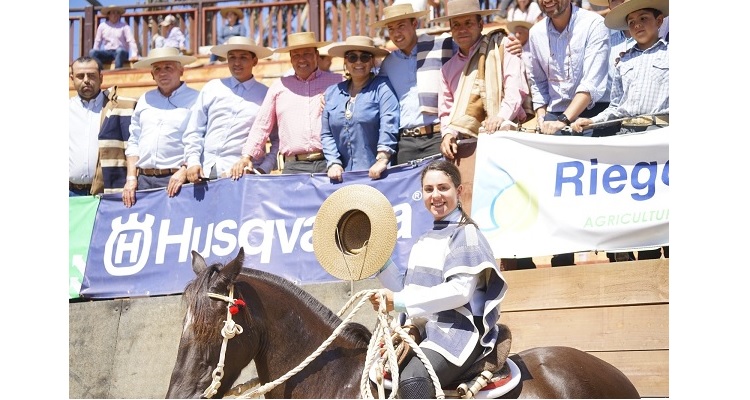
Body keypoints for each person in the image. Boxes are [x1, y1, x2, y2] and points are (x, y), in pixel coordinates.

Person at [368, 159, 508, 398]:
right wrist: (380, 262)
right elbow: (407, 288)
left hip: (459, 331)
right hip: (426, 331)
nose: (436, 195)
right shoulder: (424, 239)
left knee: (413, 379)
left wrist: (399, 302)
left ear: (459, 191)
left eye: (443, 188)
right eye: (429, 189)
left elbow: (460, 291)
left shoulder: (467, 234)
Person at [527, 0, 609, 267]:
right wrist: (541, 115)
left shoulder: (594, 23)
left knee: (597, 190)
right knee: (553, 191)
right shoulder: (535, 33)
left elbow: (592, 82)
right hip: (555, 117)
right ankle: (561, 253)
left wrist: (563, 119)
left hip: (594, 113)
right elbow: (537, 80)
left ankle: (615, 253)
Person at [435, 0, 528, 161]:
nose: (462, 29)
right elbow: (447, 111)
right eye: (456, 24)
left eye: (468, 23)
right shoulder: (447, 69)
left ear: (480, 24)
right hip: (467, 146)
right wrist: (448, 133)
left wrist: (500, 117)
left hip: (506, 137)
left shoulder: (503, 47)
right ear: (450, 29)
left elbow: (515, 91)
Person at [241, 32, 343, 175]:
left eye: (307, 53)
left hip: (331, 163)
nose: (301, 59)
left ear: (316, 55)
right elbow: (262, 125)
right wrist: (247, 156)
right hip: (293, 167)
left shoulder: (338, 82)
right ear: (290, 58)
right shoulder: (279, 87)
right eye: (296, 55)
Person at [184, 36, 279, 182]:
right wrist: (193, 162)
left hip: (244, 176)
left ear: (255, 61)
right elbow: (195, 130)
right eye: (232, 57)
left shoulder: (267, 95)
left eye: (243, 57)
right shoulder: (212, 88)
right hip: (206, 172)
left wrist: (263, 169)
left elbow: (277, 140)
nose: (236, 63)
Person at [370, 3, 454, 165]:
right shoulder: (388, 63)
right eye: (391, 28)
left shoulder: (441, 45)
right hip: (405, 142)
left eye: (401, 26)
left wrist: (508, 44)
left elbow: (471, 51)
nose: (396, 33)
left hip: (437, 136)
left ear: (414, 23)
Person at [122, 48, 199, 208]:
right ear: (152, 74)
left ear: (181, 71)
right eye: (157, 69)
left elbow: (202, 139)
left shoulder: (197, 99)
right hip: (143, 181)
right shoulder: (145, 99)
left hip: (177, 180)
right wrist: (131, 178)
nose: (162, 73)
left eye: (168, 68)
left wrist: (184, 171)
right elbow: (134, 140)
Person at [320, 36, 399, 182]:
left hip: (378, 175)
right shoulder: (332, 92)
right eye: (352, 57)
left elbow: (389, 122)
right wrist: (333, 162)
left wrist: (383, 158)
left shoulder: (383, 88)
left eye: (364, 57)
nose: (358, 62)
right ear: (345, 61)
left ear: (372, 61)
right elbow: (326, 134)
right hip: (342, 177)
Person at [69, 56, 137, 196]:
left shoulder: (118, 107)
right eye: (80, 76)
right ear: (72, 78)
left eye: (91, 75)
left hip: (107, 193)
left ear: (101, 77)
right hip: (70, 193)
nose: (86, 80)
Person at [89, 5, 139, 69]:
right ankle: (100, 70)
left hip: (121, 52)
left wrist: (134, 54)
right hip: (107, 52)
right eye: (113, 13)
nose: (115, 15)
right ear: (108, 15)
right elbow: (97, 42)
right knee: (92, 52)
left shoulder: (125, 26)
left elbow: (131, 41)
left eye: (117, 13)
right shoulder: (102, 26)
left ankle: (117, 70)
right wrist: (95, 51)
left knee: (120, 51)